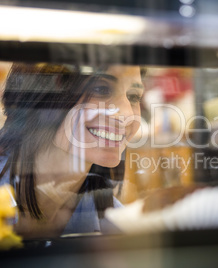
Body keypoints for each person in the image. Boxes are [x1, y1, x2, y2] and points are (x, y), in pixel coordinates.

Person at [0, 63, 144, 238]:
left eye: (134, 97)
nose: (127, 114)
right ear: (46, 96)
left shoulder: (113, 224)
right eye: (101, 89)